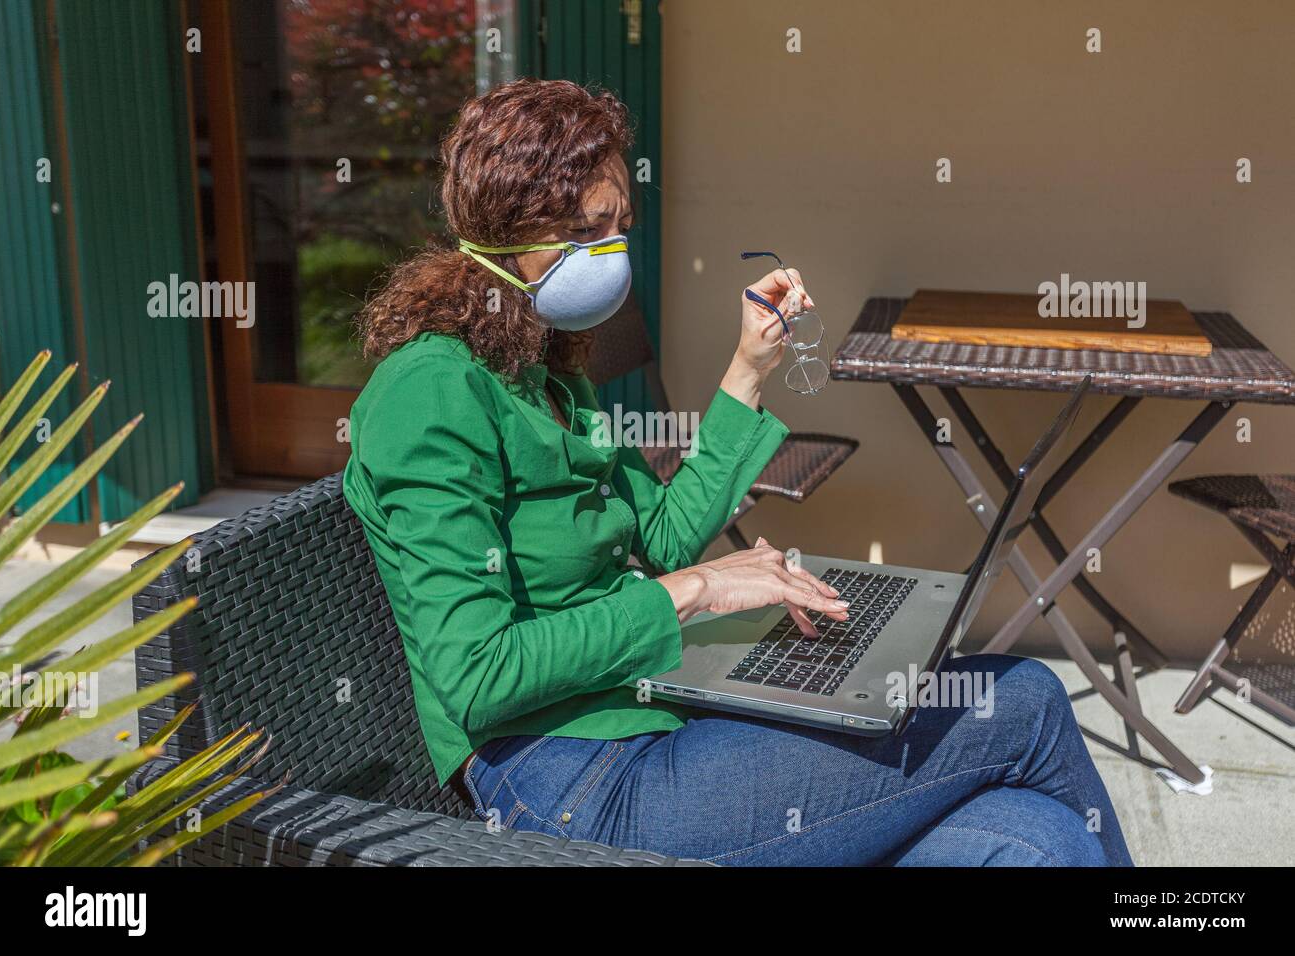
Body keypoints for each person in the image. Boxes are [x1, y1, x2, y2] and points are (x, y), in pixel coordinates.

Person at [343, 78, 1132, 866]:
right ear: (509, 224)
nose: (613, 254)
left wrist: (750, 366)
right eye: (590, 230)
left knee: (1042, 841)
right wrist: (696, 592)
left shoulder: (544, 375)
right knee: (1023, 699)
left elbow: (667, 532)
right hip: (574, 786)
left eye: (621, 227)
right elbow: (477, 675)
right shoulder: (432, 392)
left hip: (659, 718)